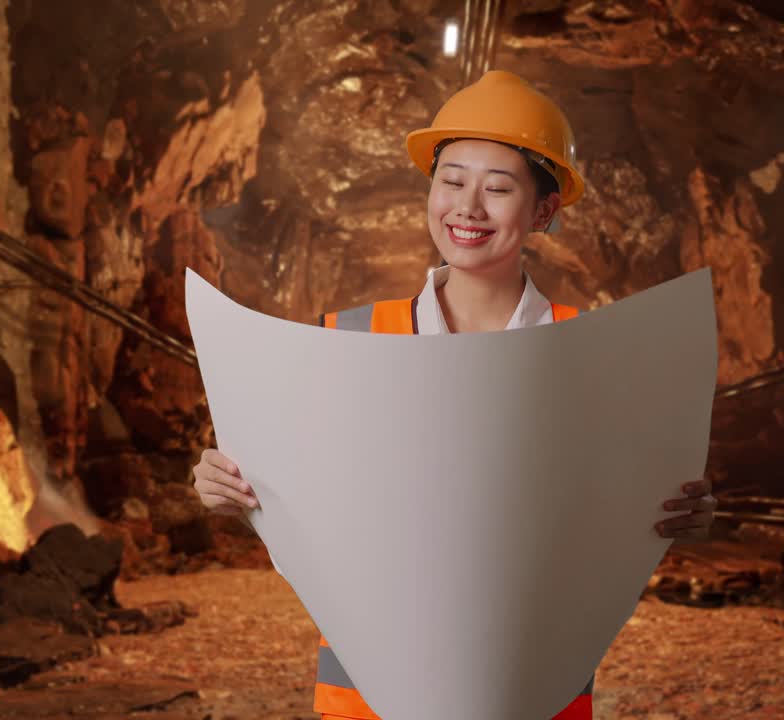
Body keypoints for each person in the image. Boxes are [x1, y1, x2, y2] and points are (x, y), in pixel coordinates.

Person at [193, 70, 718, 720]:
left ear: (544, 211)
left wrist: (677, 513)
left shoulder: (589, 354)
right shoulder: (345, 342)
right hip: (367, 701)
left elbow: (621, 497)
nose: (468, 207)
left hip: (534, 694)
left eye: (498, 188)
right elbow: (292, 490)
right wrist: (223, 484)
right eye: (451, 180)